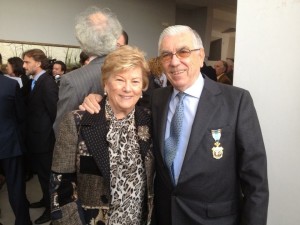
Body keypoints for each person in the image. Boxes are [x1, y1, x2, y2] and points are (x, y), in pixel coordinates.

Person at [80, 25, 269, 225]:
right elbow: (124, 98)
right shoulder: (155, 99)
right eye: (166, 55)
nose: (175, 61)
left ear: (201, 54)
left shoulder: (236, 101)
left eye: (183, 52)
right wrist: (98, 99)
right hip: (164, 217)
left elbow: (255, 181)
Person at [50, 45, 154, 225]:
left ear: (143, 86)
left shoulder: (150, 121)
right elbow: (60, 188)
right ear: (105, 83)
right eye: (120, 80)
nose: (128, 88)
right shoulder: (76, 122)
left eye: (135, 81)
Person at [53, 6, 122, 135]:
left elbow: (62, 130)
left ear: (83, 41)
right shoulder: (132, 72)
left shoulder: (71, 80)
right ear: (115, 34)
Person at [23, 49, 58, 224]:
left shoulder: (47, 82)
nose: (24, 66)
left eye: (27, 62)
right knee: (42, 176)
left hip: (44, 141)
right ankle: (46, 201)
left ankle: (52, 211)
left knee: (46, 177)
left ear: (37, 63)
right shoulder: (34, 81)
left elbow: (54, 113)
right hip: (36, 139)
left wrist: (51, 138)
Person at [0, 75, 32, 225]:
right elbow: (21, 115)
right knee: (16, 187)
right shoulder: (11, 85)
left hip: (10, 141)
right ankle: (23, 222)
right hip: (10, 142)